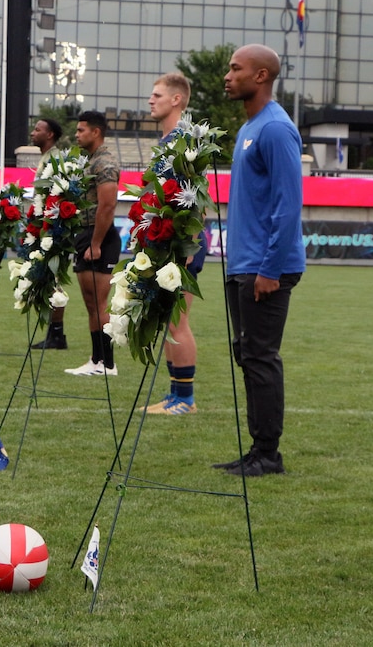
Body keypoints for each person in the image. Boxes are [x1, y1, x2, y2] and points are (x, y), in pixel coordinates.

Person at [212, 44, 305, 477]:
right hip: (243, 264)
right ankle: (257, 449)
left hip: (265, 267)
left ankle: (269, 454)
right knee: (248, 355)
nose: (228, 76)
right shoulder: (249, 127)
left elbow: (289, 206)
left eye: (236, 69)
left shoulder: (275, 129)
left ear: (262, 75)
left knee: (261, 356)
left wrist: (270, 268)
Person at [143, 72, 207, 416]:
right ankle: (174, 394)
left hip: (183, 244)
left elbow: (197, 199)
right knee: (168, 319)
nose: (151, 100)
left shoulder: (185, 141)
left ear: (176, 100)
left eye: (157, 95)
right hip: (166, 242)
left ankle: (185, 398)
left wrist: (187, 248)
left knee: (177, 321)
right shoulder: (169, 141)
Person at [64, 110, 121, 376]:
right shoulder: (91, 161)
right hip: (87, 234)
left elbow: (108, 206)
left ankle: (107, 363)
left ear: (95, 132)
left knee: (98, 304)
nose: (77, 135)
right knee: (90, 304)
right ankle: (97, 360)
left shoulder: (104, 162)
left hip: (99, 236)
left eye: (81, 130)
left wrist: (96, 243)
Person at [29, 117, 70, 350]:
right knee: (49, 279)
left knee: (55, 280)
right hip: (45, 225)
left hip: (53, 228)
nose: (33, 133)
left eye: (38, 129)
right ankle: (55, 334)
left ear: (50, 135)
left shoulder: (55, 158)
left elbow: (57, 193)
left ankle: (56, 335)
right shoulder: (46, 158)